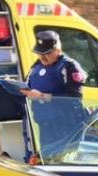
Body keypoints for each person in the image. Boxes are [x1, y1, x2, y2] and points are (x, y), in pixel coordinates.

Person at [21, 30, 89, 162]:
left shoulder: (69, 66)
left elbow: (73, 97)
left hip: (65, 125)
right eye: (40, 54)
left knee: (63, 160)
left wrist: (42, 96)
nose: (42, 58)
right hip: (44, 123)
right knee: (46, 159)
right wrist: (20, 89)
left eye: (46, 54)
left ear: (57, 50)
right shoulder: (36, 66)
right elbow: (27, 84)